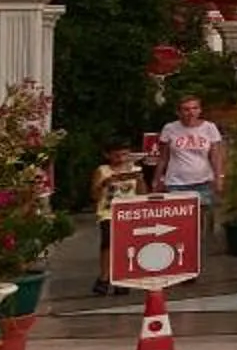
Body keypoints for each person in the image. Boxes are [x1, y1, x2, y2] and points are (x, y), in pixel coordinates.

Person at [154, 95, 225, 259]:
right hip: (177, 182)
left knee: (198, 222)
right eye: (186, 109)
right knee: (179, 222)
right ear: (178, 112)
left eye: (194, 108)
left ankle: (193, 256)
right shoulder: (170, 129)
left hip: (203, 181)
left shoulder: (209, 128)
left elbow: (216, 155)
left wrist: (219, 177)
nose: (190, 113)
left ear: (200, 110)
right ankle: (179, 255)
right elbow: (163, 157)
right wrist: (157, 179)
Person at [87, 145, 140, 295]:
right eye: (117, 155)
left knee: (125, 245)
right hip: (108, 211)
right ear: (108, 155)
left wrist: (140, 179)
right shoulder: (103, 170)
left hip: (129, 211)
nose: (121, 159)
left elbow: (142, 193)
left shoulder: (134, 170)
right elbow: (94, 195)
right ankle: (104, 276)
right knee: (108, 242)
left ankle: (121, 276)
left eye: (125, 155)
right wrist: (105, 183)